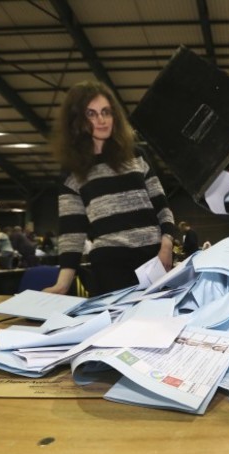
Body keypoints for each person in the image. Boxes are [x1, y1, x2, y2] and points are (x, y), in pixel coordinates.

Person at [44, 80, 177, 296]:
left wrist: (167, 247)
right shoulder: (72, 172)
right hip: (111, 269)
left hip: (155, 262)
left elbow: (163, 208)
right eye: (91, 114)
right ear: (76, 120)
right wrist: (62, 285)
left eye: (106, 112)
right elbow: (71, 232)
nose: (102, 120)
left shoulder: (137, 156)